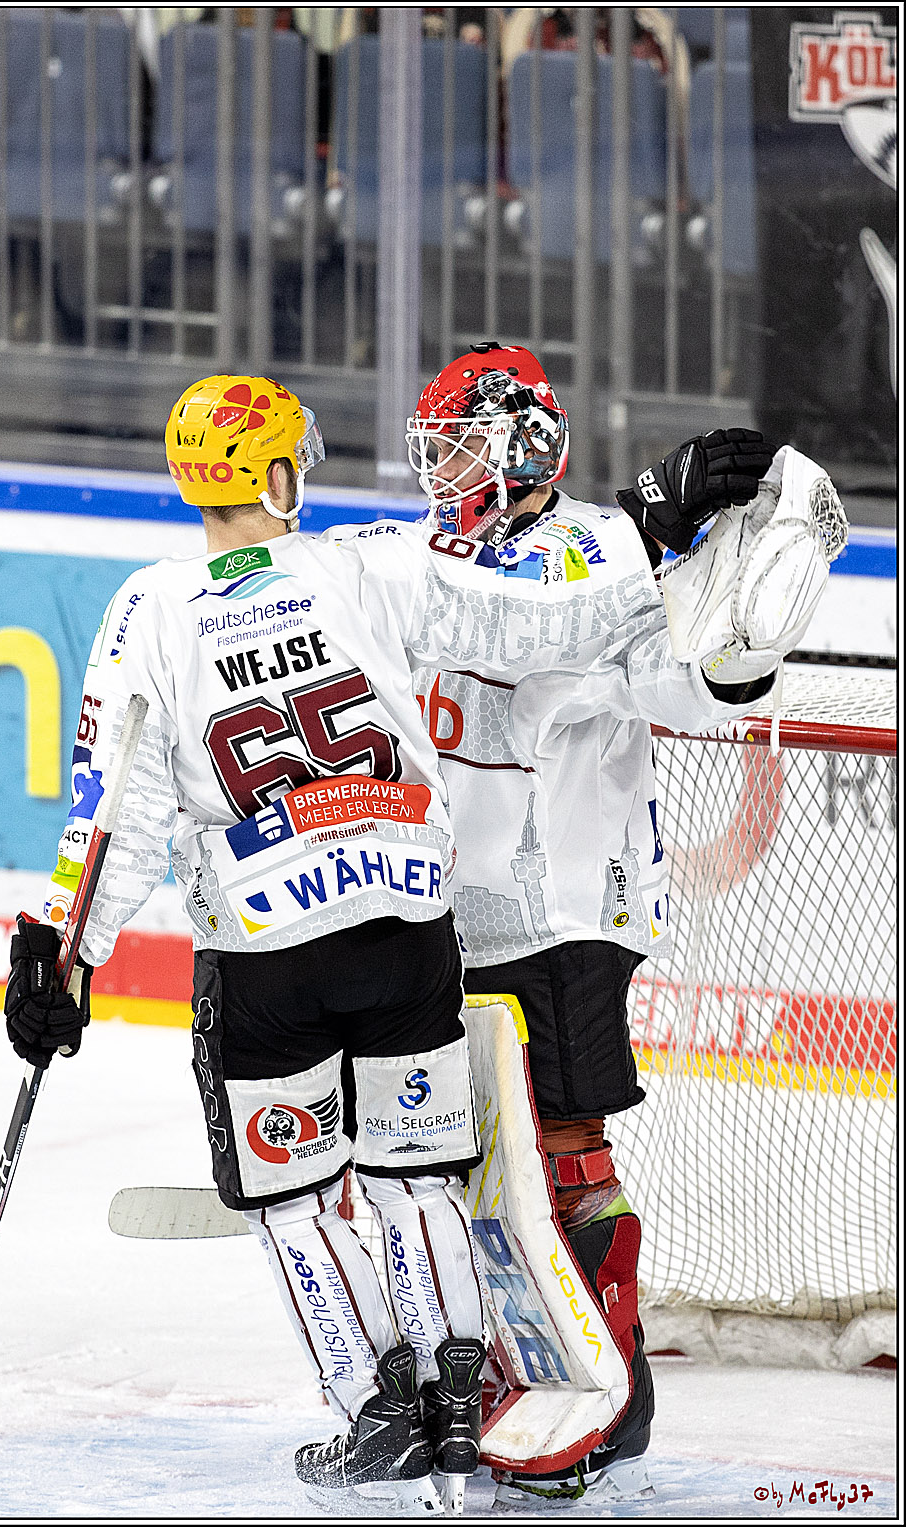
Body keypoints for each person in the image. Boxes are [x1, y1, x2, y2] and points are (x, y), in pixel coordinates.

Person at [1, 372, 693, 1517]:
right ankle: (464, 1404)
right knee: (419, 1179)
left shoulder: (149, 608)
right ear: (278, 473)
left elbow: (113, 806)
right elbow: (541, 622)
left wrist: (62, 954)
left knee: (298, 1200)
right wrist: (648, 526)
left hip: (267, 955)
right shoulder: (367, 564)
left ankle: (383, 1410)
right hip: (406, 934)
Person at [403, 342, 782, 1506]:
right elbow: (486, 624)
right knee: (476, 1159)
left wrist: (730, 648)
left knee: (563, 1148)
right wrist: (647, 524)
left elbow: (674, 681)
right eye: (437, 448)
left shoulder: (588, 557)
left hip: (566, 910)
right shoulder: (458, 556)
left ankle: (606, 1392)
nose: (443, 469)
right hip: (459, 908)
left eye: (464, 443)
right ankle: (525, 1368)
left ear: (526, 441)